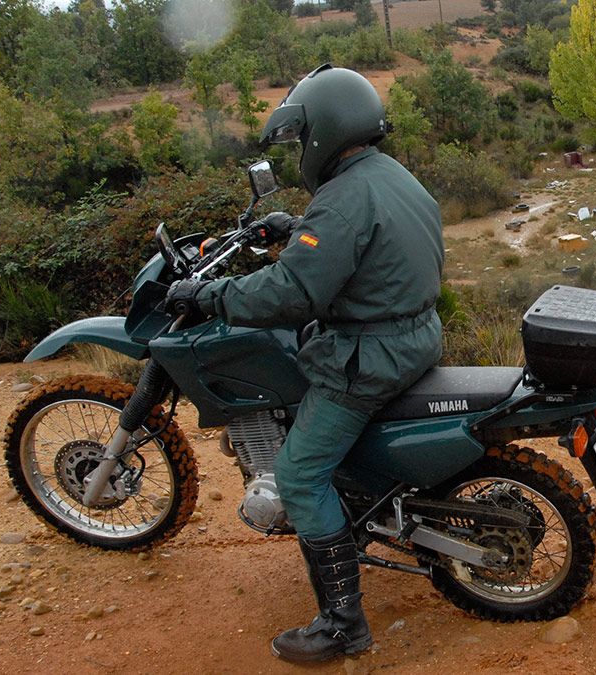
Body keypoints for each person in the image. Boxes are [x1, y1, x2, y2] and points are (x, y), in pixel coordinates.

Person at [166, 65, 444, 663]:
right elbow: (363, 243)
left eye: (301, 138)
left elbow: (290, 295)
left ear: (324, 130)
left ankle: (343, 624)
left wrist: (209, 296)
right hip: (414, 337)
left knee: (297, 476)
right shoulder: (386, 175)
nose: (298, 150)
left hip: (368, 358)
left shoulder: (341, 199)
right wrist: (294, 227)